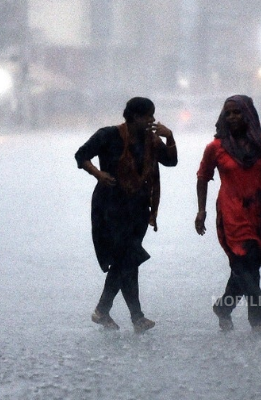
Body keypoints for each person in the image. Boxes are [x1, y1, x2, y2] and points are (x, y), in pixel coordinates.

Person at [75, 97, 177, 333]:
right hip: (110, 206)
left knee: (128, 260)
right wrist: (98, 174)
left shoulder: (151, 141)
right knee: (126, 258)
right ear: (134, 116)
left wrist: (168, 136)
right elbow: (81, 156)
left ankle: (125, 316)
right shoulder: (108, 135)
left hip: (139, 208)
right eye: (148, 116)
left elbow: (171, 161)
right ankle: (116, 312)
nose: (152, 120)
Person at [195, 94, 261, 333]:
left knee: (249, 265)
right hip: (231, 211)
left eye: (237, 112)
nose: (233, 117)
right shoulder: (215, 147)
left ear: (248, 114)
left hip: (259, 211)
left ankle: (223, 307)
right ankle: (259, 319)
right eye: (228, 113)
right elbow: (203, 177)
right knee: (242, 260)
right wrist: (201, 211)